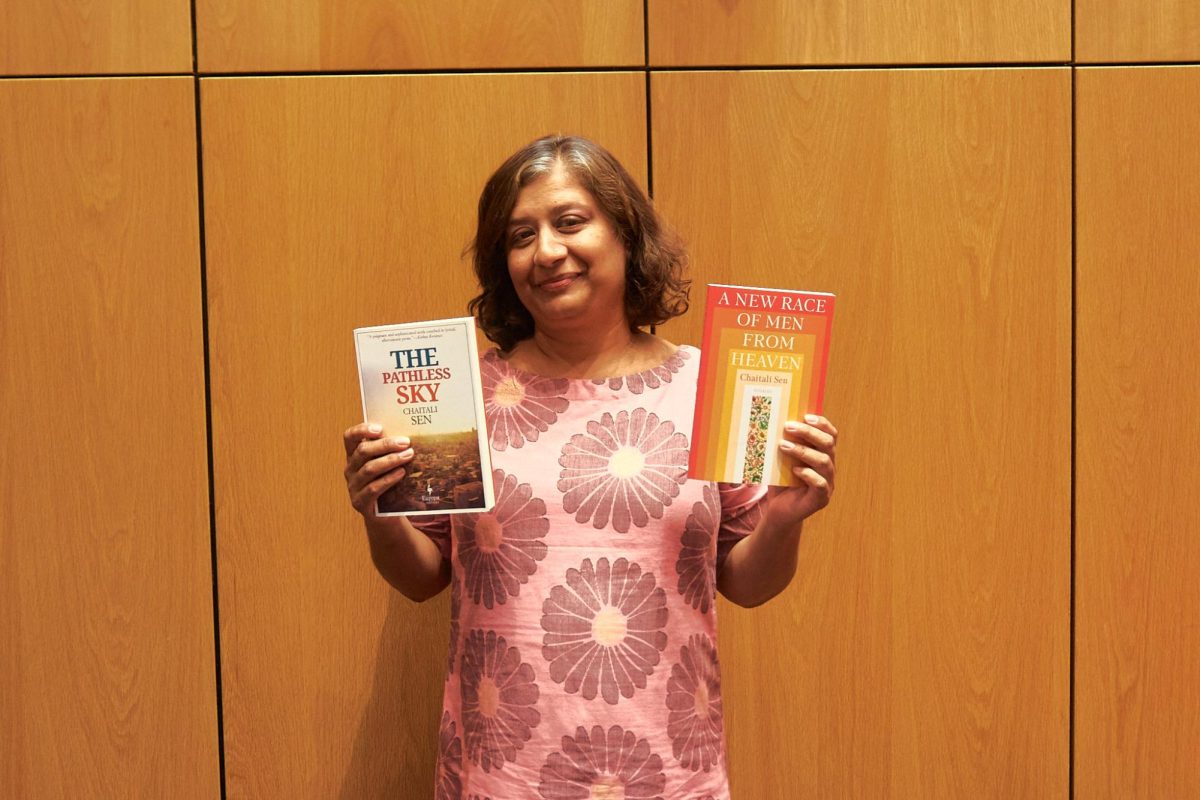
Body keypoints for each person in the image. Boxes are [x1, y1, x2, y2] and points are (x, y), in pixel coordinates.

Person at [342, 135, 838, 799]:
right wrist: (377, 513)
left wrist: (782, 520)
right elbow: (421, 576)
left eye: (570, 222)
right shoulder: (462, 396)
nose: (546, 251)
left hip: (669, 776)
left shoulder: (709, 387)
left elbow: (747, 584)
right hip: (501, 779)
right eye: (521, 235)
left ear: (625, 232)